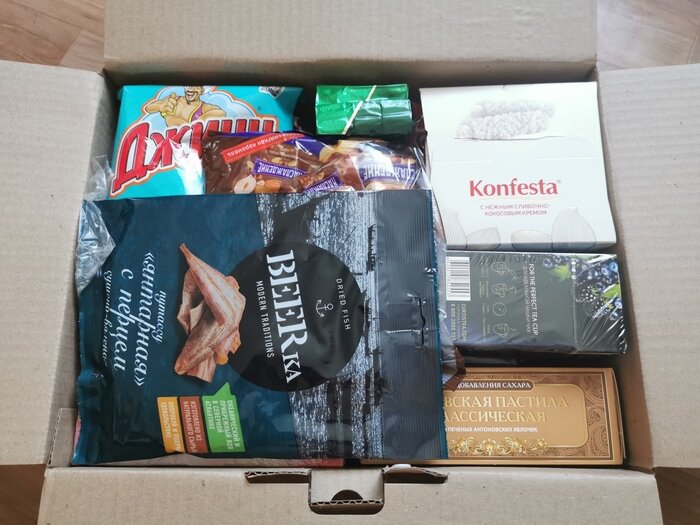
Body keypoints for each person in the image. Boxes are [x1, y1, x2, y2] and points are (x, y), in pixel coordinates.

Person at [145, 86, 225, 127]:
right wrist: (160, 107)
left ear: (202, 91)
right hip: (169, 143)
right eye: (188, 87)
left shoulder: (203, 107)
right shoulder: (174, 99)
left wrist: (201, 120)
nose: (190, 90)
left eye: (196, 87)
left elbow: (221, 113)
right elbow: (148, 108)